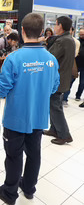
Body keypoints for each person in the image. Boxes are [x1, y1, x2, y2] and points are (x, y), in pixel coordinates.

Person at [0, 13, 60, 205]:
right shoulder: (50, 59)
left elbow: (1, 90)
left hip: (15, 119)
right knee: (34, 154)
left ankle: (9, 193)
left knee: (14, 157)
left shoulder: (14, 58)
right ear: (41, 32)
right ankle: (29, 188)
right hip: (39, 117)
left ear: (22, 31)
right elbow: (54, 87)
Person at [44, 16, 75, 145]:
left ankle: (64, 135)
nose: (55, 27)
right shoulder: (69, 39)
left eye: (56, 24)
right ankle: (54, 129)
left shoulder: (62, 41)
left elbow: (50, 57)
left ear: (60, 26)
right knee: (55, 105)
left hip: (57, 79)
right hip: (63, 77)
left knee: (55, 106)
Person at [62, 27, 81, 106]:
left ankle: (64, 98)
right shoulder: (61, 39)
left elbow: (75, 54)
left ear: (73, 32)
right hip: (62, 63)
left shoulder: (76, 42)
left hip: (72, 64)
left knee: (69, 82)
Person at [77, 28, 84, 108]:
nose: (81, 36)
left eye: (83, 34)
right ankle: (65, 97)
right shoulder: (77, 41)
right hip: (77, 65)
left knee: (82, 83)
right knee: (71, 80)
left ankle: (78, 96)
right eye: (80, 34)